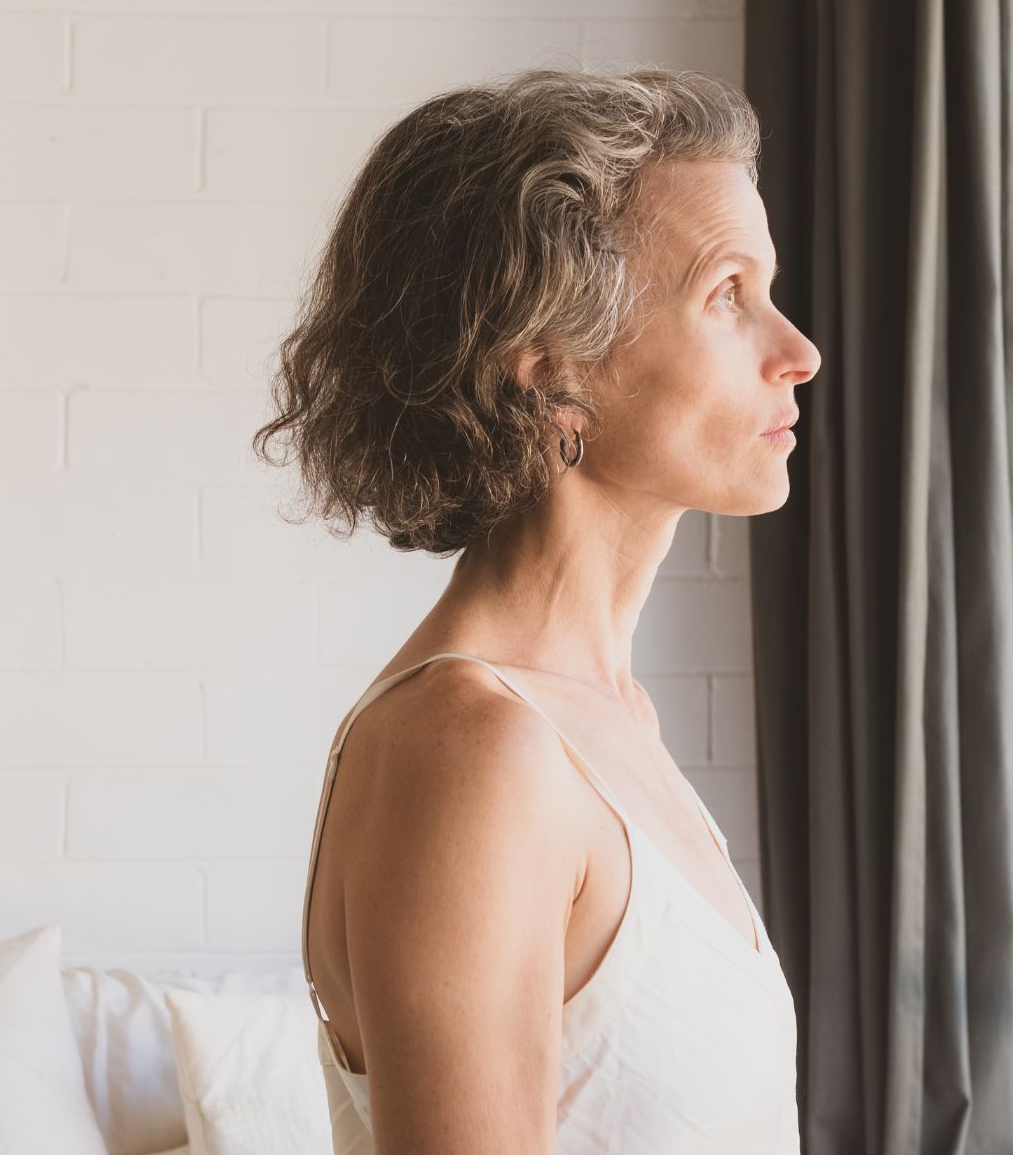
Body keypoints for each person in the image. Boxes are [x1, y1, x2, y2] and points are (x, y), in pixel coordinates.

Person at [252, 66, 821, 1154]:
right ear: (551, 361)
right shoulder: (472, 747)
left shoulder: (605, 720)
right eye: (728, 293)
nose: (798, 350)